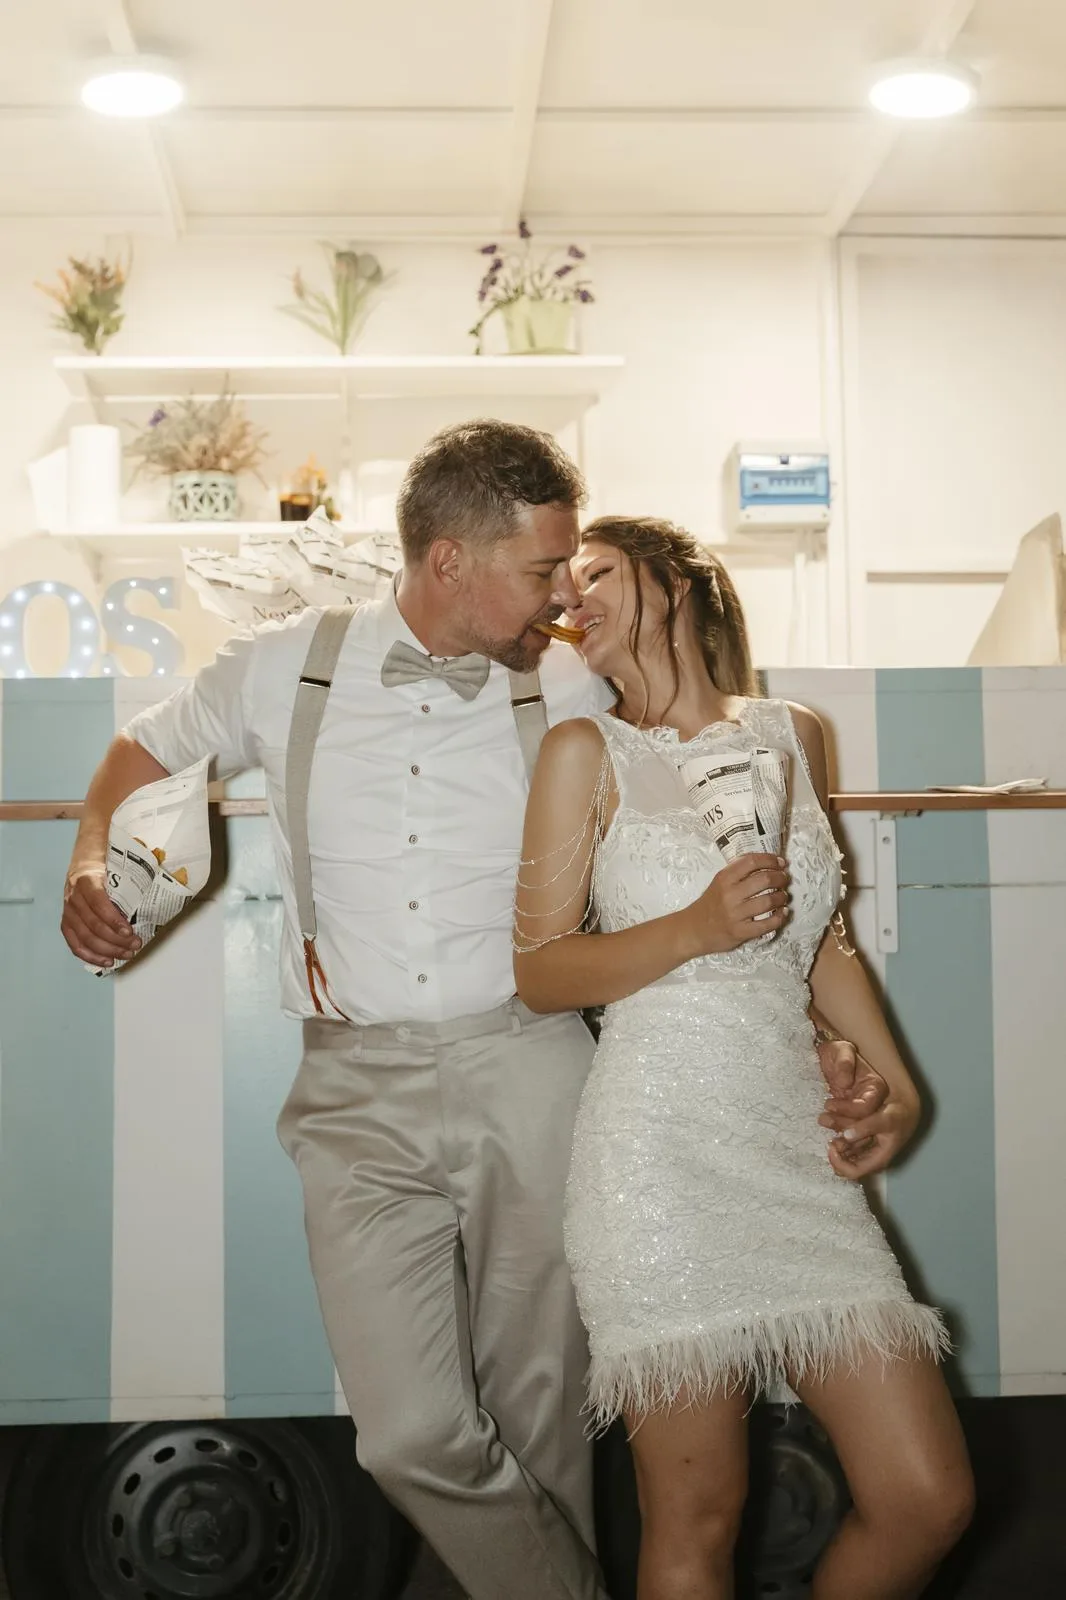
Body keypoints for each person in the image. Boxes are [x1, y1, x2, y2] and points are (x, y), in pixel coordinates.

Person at [62, 425, 891, 1600]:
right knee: (404, 1434)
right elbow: (138, 753)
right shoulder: (277, 666)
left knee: (541, 1421)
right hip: (351, 1089)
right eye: (544, 568)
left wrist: (821, 1032)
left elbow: (720, 806)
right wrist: (93, 859)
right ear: (448, 559)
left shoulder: (570, 677)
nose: (565, 593)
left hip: (533, 1062)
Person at [513, 515, 975, 1600]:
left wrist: (897, 1085)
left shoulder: (791, 735)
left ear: (675, 583)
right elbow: (540, 969)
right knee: (697, 1513)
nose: (570, 599)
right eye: (562, 584)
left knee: (926, 1498)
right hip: (656, 1162)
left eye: (599, 575)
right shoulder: (585, 751)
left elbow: (823, 941)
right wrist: (692, 928)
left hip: (794, 1158)